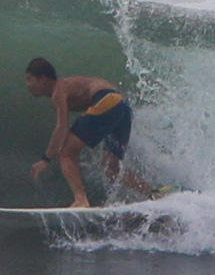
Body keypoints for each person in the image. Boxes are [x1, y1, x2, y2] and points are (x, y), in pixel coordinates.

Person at [25, 57, 152, 207]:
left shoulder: (58, 90)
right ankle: (154, 193)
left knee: (65, 153)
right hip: (121, 106)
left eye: (29, 79)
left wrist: (45, 159)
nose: (28, 85)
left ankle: (81, 200)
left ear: (42, 79)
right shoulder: (66, 87)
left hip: (106, 100)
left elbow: (62, 127)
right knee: (111, 168)